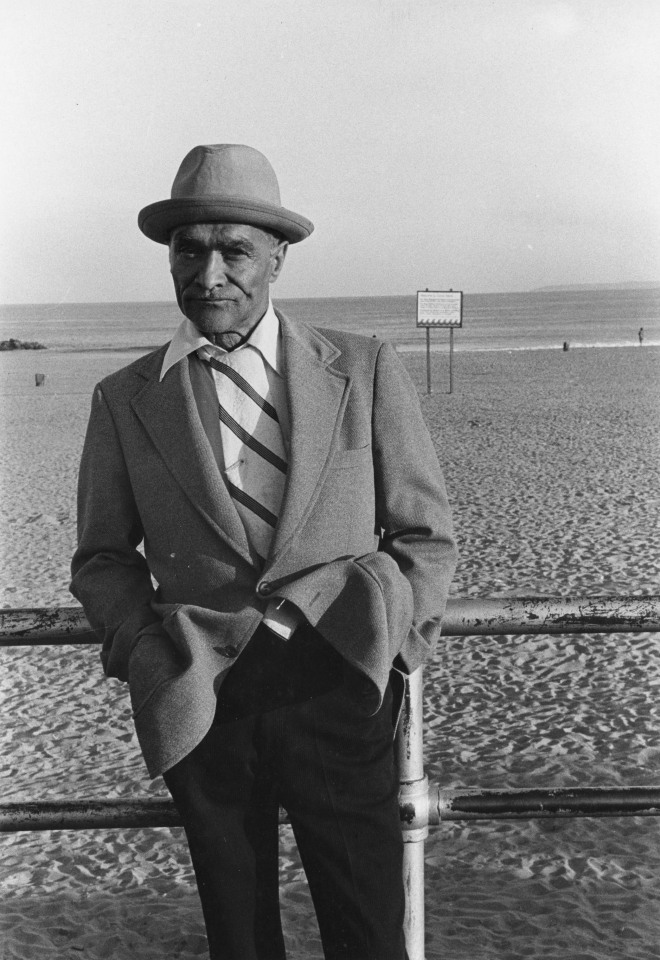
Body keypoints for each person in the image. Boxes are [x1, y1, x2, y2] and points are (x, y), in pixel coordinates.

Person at [71, 143, 457, 960]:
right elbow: (101, 557)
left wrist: (392, 649)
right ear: (169, 258)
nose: (209, 274)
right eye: (189, 250)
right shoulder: (125, 399)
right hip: (205, 700)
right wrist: (147, 652)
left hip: (340, 683)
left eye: (235, 251)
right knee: (240, 941)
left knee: (368, 934)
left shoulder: (362, 369)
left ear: (278, 258)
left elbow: (425, 534)